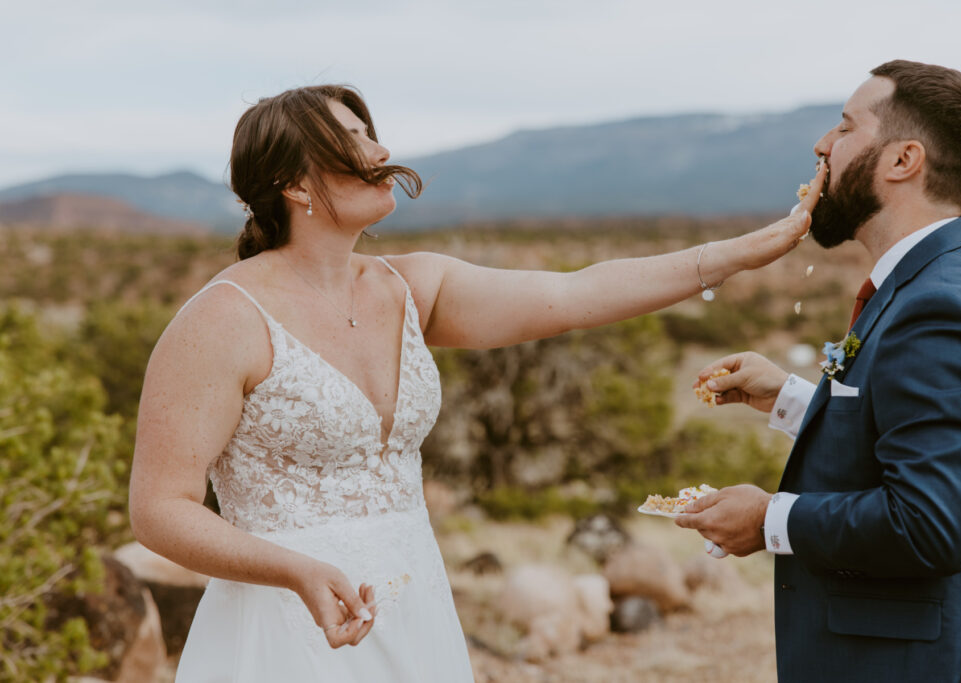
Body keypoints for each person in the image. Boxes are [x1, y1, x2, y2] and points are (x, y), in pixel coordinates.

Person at [128, 83, 824, 682]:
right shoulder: (223, 319)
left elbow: (577, 293)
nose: (378, 152)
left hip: (413, 606)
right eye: (350, 138)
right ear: (295, 184)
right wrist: (295, 570)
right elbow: (159, 509)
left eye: (370, 131)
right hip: (284, 625)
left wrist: (749, 249)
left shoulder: (412, 287)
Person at [677, 60, 961, 681]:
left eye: (843, 128)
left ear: (902, 161)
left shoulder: (941, 308)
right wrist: (790, 399)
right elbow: (914, 432)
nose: (821, 146)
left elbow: (927, 525)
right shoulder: (935, 281)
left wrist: (769, 519)